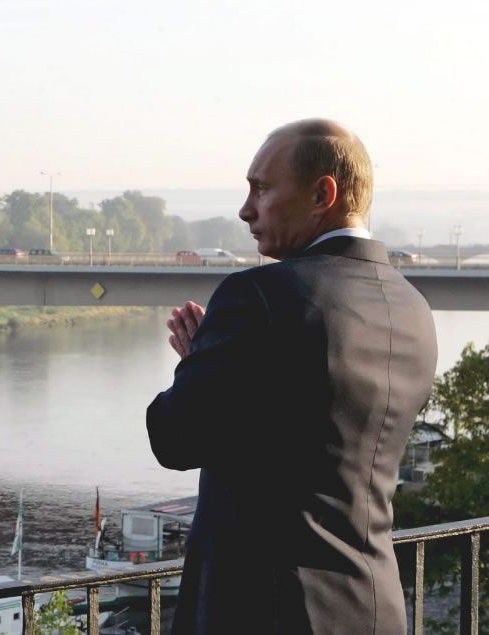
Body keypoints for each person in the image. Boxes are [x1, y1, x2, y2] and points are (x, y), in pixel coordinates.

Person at [146, 119, 437, 634]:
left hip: (265, 613)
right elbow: (312, 431)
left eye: (261, 188)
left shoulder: (259, 296)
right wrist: (221, 367)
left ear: (324, 193)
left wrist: (197, 363)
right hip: (373, 608)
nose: (245, 209)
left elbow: (174, 438)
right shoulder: (412, 307)